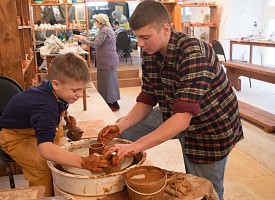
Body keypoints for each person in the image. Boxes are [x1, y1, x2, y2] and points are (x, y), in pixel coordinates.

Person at [98, 1, 244, 200]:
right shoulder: (150, 52)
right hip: (174, 110)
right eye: (137, 37)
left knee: (202, 188)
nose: (139, 43)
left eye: (145, 37)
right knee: (123, 130)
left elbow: (182, 120)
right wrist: (121, 127)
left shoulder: (193, 53)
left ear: (165, 29)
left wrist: (134, 148)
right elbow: (147, 99)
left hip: (211, 126)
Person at [0, 53, 108, 197]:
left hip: (33, 129)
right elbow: (45, 149)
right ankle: (46, 197)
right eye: (75, 90)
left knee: (65, 156)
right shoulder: (45, 106)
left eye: (82, 89)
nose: (79, 95)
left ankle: (59, 191)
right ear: (56, 84)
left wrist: (66, 124)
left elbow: (48, 118)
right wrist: (84, 162)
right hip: (14, 137)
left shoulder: (52, 89)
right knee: (44, 164)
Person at [75, 14, 120, 112]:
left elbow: (95, 44)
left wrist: (82, 40)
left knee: (108, 83)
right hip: (107, 61)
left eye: (95, 21)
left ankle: (113, 104)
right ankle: (111, 103)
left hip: (107, 61)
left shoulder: (105, 31)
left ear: (100, 22)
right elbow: (95, 40)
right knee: (107, 82)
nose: (94, 23)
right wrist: (83, 38)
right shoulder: (105, 29)